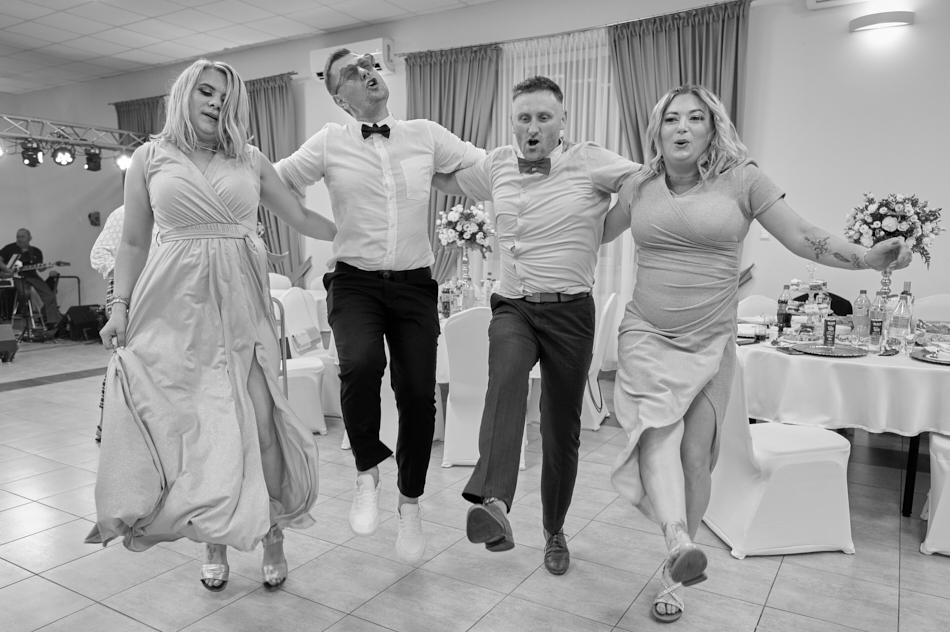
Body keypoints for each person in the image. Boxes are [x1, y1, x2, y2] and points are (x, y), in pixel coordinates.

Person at [601, 85, 912, 623]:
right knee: (655, 430)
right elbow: (590, 231)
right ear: (656, 130)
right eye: (671, 119)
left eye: (694, 118)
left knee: (696, 456)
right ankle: (677, 544)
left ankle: (676, 571)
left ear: (712, 128)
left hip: (710, 338)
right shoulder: (639, 185)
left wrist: (866, 258)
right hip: (646, 331)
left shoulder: (743, 179)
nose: (681, 127)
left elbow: (803, 235)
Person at [87, 59, 337, 593]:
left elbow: (300, 217)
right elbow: (132, 242)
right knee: (202, 429)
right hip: (174, 308)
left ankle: (271, 531)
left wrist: (366, 232)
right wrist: (119, 306)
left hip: (242, 303)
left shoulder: (249, 158)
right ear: (184, 94)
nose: (215, 102)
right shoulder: (149, 159)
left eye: (225, 97)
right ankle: (214, 539)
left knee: (262, 424)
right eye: (205, 91)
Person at [275, 48, 484, 564]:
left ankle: (409, 503)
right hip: (354, 284)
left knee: (417, 394)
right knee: (361, 363)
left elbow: (481, 164)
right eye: (352, 72)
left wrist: (529, 161)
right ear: (339, 97)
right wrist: (304, 221)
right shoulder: (329, 142)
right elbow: (273, 180)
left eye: (370, 64)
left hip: (414, 284)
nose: (367, 72)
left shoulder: (424, 134)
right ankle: (366, 474)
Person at [432, 76, 639, 575]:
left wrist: (604, 228)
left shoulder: (589, 159)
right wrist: (406, 155)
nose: (533, 127)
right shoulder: (496, 164)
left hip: (570, 313)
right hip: (515, 307)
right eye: (524, 117)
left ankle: (554, 530)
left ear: (562, 121)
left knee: (560, 429)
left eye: (544, 117)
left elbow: (642, 182)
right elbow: (446, 180)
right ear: (513, 123)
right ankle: (494, 505)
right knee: (505, 380)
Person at [0, 228, 64, 327]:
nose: (19, 239)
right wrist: (7, 269)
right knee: (24, 293)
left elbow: (40, 269)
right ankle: (23, 312)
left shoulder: (36, 251)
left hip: (32, 275)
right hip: (15, 277)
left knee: (49, 295)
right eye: (18, 236)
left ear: (30, 238)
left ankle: (52, 322)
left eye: (22, 237)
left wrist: (47, 266)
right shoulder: (9, 248)